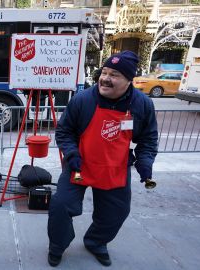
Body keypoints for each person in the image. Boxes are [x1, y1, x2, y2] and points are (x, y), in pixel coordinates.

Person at [47, 51, 158, 267]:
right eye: (105, 72)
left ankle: (96, 242)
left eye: (114, 74)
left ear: (128, 80)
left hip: (114, 169)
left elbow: (149, 139)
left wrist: (145, 162)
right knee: (61, 206)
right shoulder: (83, 100)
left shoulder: (142, 105)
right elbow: (64, 131)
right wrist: (71, 154)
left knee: (116, 212)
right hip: (80, 167)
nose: (106, 78)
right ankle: (57, 246)